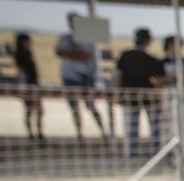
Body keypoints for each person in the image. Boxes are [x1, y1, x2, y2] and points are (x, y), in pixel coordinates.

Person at [115, 28, 165, 161]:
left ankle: (132, 154)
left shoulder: (126, 56)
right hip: (147, 97)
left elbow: (118, 76)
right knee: (154, 127)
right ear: (148, 40)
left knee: (131, 127)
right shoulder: (151, 59)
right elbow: (157, 82)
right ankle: (155, 153)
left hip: (130, 97)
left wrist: (118, 93)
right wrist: (158, 98)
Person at [55, 13, 106, 140]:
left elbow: (87, 55)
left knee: (91, 106)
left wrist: (71, 53)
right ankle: (79, 134)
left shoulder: (88, 38)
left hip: (86, 77)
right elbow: (60, 52)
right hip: (70, 77)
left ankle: (104, 133)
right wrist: (74, 53)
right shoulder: (65, 38)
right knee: (74, 108)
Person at [13, 33, 44, 142]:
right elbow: (22, 73)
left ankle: (39, 132)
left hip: (34, 84)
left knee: (39, 110)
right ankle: (31, 133)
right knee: (30, 110)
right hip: (28, 86)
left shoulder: (28, 53)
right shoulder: (20, 55)